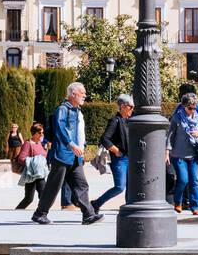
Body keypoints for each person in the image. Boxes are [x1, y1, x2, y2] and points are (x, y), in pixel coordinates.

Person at [31, 82, 102, 225]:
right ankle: (40, 214)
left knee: (81, 185)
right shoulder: (62, 109)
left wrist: (80, 149)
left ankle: (88, 215)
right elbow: (60, 129)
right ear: (72, 94)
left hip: (74, 157)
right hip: (62, 155)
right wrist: (71, 145)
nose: (85, 95)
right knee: (53, 186)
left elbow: (79, 133)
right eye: (82, 92)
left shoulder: (76, 111)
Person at [167, 93, 198, 216]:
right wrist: (167, 152)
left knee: (194, 181)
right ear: (184, 106)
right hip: (178, 155)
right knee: (183, 179)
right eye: (190, 108)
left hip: (194, 155)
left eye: (194, 108)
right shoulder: (176, 118)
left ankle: (195, 206)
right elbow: (170, 136)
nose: (192, 110)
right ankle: (177, 201)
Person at [92, 94, 133, 212]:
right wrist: (116, 151)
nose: (132, 109)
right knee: (120, 187)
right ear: (123, 106)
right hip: (119, 159)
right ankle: (96, 203)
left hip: (130, 157)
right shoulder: (115, 121)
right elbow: (105, 139)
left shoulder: (130, 121)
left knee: (131, 186)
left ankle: (129, 207)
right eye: (130, 107)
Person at [15, 123, 49, 210]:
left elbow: (43, 156)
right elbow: (21, 158)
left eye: (42, 133)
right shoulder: (28, 144)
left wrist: (47, 150)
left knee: (43, 195)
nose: (42, 135)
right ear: (34, 133)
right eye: (40, 133)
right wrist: (34, 162)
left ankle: (40, 213)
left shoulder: (40, 143)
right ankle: (16, 212)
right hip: (31, 174)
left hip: (40, 174)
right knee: (29, 198)